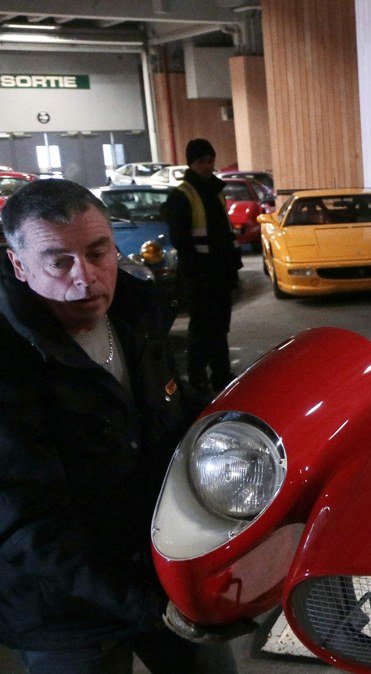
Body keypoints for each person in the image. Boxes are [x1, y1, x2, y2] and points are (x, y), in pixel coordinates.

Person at [0, 179, 245, 672]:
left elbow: (168, 410)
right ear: (19, 265)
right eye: (59, 261)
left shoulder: (136, 314)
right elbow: (26, 523)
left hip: (166, 569)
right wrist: (147, 603)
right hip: (63, 611)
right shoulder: (8, 363)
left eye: (98, 252)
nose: (86, 278)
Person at [163, 138, 242, 393]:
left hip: (219, 272)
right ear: (191, 163)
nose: (207, 166)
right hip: (199, 274)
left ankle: (221, 373)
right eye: (201, 162)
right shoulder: (182, 195)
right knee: (201, 327)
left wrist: (232, 268)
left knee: (219, 326)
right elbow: (182, 241)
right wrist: (197, 273)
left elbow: (224, 234)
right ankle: (197, 376)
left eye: (210, 161)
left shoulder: (215, 191)